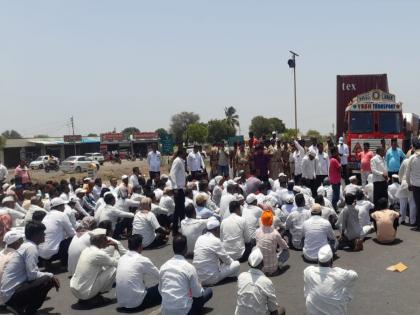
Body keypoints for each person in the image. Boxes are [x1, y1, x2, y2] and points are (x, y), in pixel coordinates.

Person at [0, 221, 60, 315]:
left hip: (9, 293)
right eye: (42, 233)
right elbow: (32, 275)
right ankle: (26, 310)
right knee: (47, 280)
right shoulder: (31, 248)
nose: (44, 235)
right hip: (11, 295)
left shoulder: (26, 246)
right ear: (35, 235)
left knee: (46, 278)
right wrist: (51, 275)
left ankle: (23, 308)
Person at [159, 234, 213, 315]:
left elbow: (160, 290)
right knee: (208, 291)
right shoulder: (189, 267)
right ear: (186, 248)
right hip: (184, 312)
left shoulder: (163, 267)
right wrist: (200, 287)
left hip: (166, 312)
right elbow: (197, 294)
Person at [304, 245, 358, 315]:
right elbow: (354, 276)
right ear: (331, 261)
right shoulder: (340, 273)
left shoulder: (309, 271)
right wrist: (346, 295)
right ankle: (346, 298)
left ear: (318, 260)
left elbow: (306, 291)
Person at [70, 228, 117, 307]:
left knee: (103, 268)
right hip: (85, 293)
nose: (107, 240)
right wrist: (116, 247)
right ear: (101, 241)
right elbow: (117, 263)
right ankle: (95, 295)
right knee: (113, 269)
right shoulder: (98, 253)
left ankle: (91, 294)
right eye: (106, 238)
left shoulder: (86, 250)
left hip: (76, 290)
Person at [235, 248, 286, 315]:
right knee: (281, 309)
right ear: (263, 263)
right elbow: (273, 309)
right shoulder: (266, 282)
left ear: (248, 263)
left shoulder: (241, 276)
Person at [116, 234, 161, 311]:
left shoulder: (121, 258)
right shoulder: (142, 259)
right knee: (161, 286)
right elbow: (160, 276)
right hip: (137, 304)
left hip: (121, 302)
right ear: (140, 246)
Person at [193, 217, 240, 286]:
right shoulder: (216, 241)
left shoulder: (200, 238)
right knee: (236, 264)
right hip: (211, 278)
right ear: (217, 229)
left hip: (198, 278)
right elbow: (228, 261)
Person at [38, 197, 76, 269]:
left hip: (41, 254)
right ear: (59, 206)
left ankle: (48, 262)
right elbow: (72, 233)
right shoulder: (62, 215)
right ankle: (64, 264)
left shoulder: (46, 216)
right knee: (72, 239)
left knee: (54, 239)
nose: (64, 207)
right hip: (54, 253)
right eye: (63, 205)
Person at [256, 210, 289, 276]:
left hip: (260, 267)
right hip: (273, 268)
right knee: (286, 252)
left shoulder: (257, 231)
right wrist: (286, 242)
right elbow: (285, 247)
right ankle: (279, 265)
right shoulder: (275, 233)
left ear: (262, 220)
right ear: (271, 220)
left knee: (256, 248)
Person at [170, 148, 187, 235]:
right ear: (181, 153)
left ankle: (175, 230)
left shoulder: (181, 161)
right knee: (180, 210)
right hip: (178, 189)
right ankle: (180, 229)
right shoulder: (177, 161)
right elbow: (172, 174)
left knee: (178, 210)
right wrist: (175, 187)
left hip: (180, 188)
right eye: (185, 152)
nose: (186, 154)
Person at [406, 138, 420, 230]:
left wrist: (409, 184)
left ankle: (418, 225)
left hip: (415, 185)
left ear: (414, 147)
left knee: (418, 205)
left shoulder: (411, 158)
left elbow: (407, 173)